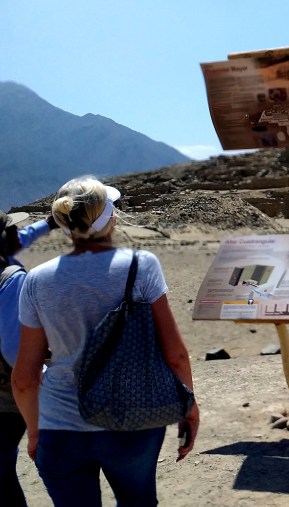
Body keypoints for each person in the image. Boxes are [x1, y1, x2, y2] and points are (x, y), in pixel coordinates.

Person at [12, 176, 200, 505]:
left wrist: (36, 430)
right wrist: (189, 408)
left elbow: (25, 378)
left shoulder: (37, 280)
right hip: (132, 421)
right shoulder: (141, 266)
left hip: (61, 427)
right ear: (109, 217)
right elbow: (176, 356)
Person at [1, 212, 56, 507]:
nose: (19, 234)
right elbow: (16, 353)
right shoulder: (12, 281)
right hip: (7, 400)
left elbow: (20, 238)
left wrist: (47, 224)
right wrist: (49, 375)